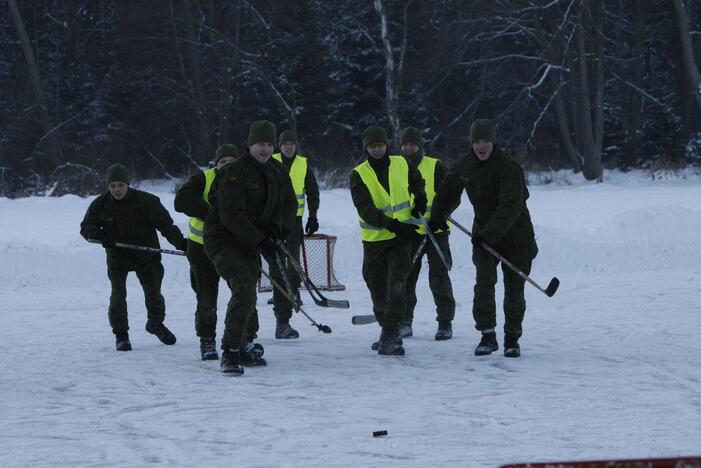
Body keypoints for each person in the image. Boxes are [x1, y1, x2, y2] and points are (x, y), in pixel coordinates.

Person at [429, 119, 538, 358]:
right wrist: (436, 214)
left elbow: (509, 207)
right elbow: (448, 190)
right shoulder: (465, 164)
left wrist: (487, 235)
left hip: (515, 234)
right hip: (483, 233)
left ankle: (512, 338)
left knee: (514, 289)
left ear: (493, 141)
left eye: (485, 141)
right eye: (477, 141)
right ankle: (487, 335)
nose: (481, 146)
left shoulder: (509, 167)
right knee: (484, 284)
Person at [204, 120, 297, 375]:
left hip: (252, 242)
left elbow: (288, 205)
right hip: (224, 240)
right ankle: (230, 352)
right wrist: (261, 240)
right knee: (244, 287)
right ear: (250, 144)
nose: (265, 149)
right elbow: (231, 215)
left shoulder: (278, 171)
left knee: (248, 293)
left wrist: (279, 229)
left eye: (269, 144)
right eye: (260, 144)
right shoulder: (234, 172)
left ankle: (244, 345)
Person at [80, 164, 187, 351]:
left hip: (147, 256)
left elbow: (166, 226)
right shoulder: (100, 204)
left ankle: (155, 323)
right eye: (112, 186)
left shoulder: (147, 201)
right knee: (118, 296)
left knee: (154, 294)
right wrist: (101, 235)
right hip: (118, 257)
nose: (116, 190)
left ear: (128, 184)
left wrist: (183, 245)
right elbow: (86, 228)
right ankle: (121, 335)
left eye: (120, 185)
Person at [349, 125, 427, 356]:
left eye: (380, 145)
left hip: (401, 241)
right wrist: (393, 225)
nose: (377, 150)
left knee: (397, 283)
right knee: (377, 286)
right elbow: (365, 209)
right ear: (366, 148)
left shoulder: (402, 163)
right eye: (372, 146)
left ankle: (392, 334)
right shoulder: (358, 174)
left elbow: (417, 181)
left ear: (387, 145)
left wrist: (420, 198)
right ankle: (387, 329)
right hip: (375, 240)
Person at [174, 144, 252, 361]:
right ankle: (207, 340)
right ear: (216, 164)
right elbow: (181, 201)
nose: (227, 165)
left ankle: (245, 339)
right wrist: (210, 214)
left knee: (243, 293)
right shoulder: (203, 179)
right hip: (201, 247)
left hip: (234, 246)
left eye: (231, 161)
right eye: (223, 162)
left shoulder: (246, 180)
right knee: (206, 297)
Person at [398, 127, 456, 341]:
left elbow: (452, 193)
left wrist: (440, 216)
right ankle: (405, 321)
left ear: (419, 145)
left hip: (436, 232)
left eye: (412, 144)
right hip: (410, 232)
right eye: (405, 144)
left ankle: (445, 322)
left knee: (439, 277)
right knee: (406, 277)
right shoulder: (396, 166)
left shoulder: (435, 166)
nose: (408, 148)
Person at [268, 129, 321, 339]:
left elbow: (312, 191)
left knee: (293, 262)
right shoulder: (269, 161)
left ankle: (293, 289)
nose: (288, 147)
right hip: (271, 223)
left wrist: (313, 216)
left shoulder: (303, 164)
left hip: (294, 222)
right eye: (285, 144)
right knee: (277, 267)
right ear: (279, 146)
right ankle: (281, 315)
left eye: (291, 143)